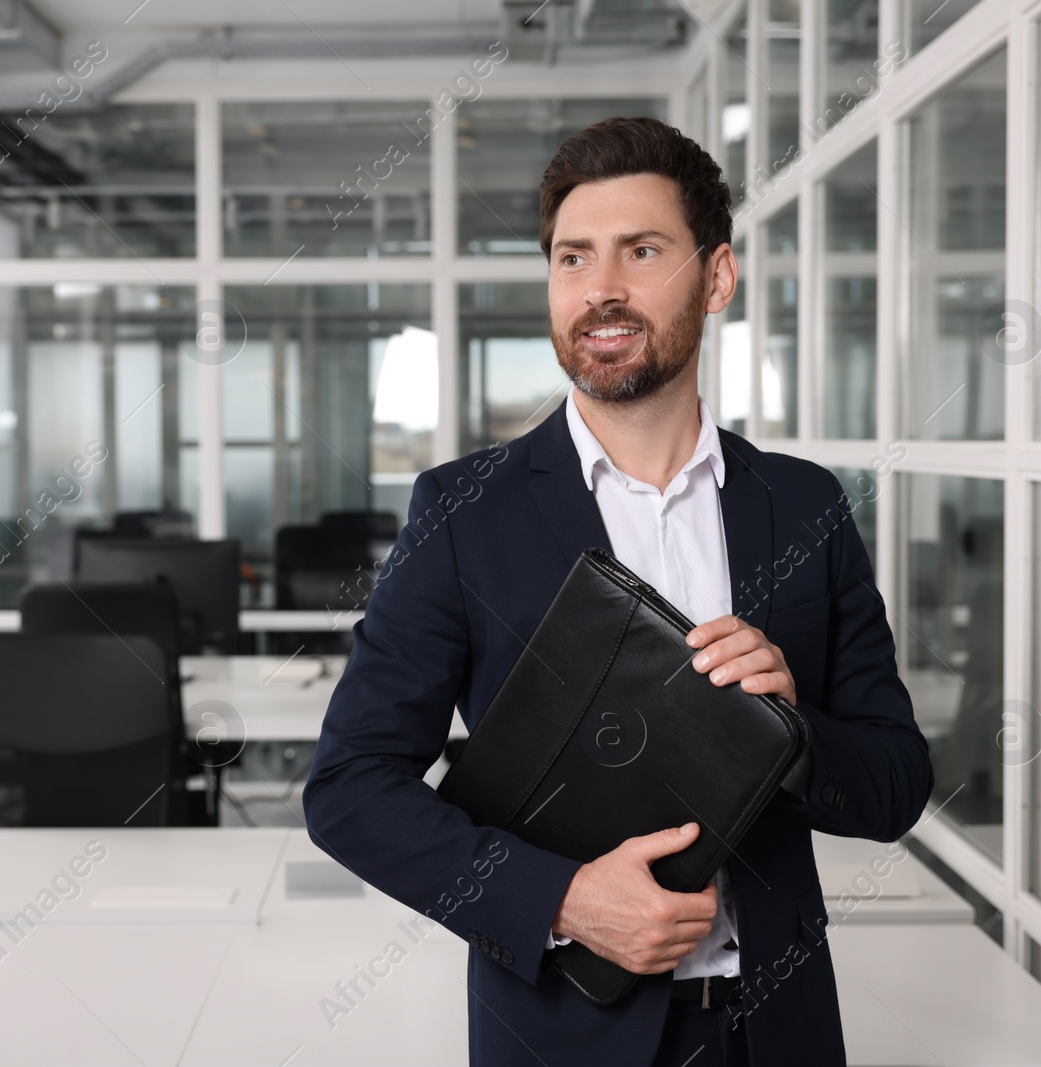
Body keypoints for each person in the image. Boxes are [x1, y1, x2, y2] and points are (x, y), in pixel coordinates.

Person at [304, 116, 932, 1067]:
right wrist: (561, 900)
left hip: (777, 1032)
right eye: (572, 258)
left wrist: (793, 728)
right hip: (560, 1033)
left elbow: (894, 784)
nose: (601, 288)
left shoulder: (803, 504)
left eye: (642, 251)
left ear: (717, 276)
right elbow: (351, 790)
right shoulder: (464, 511)